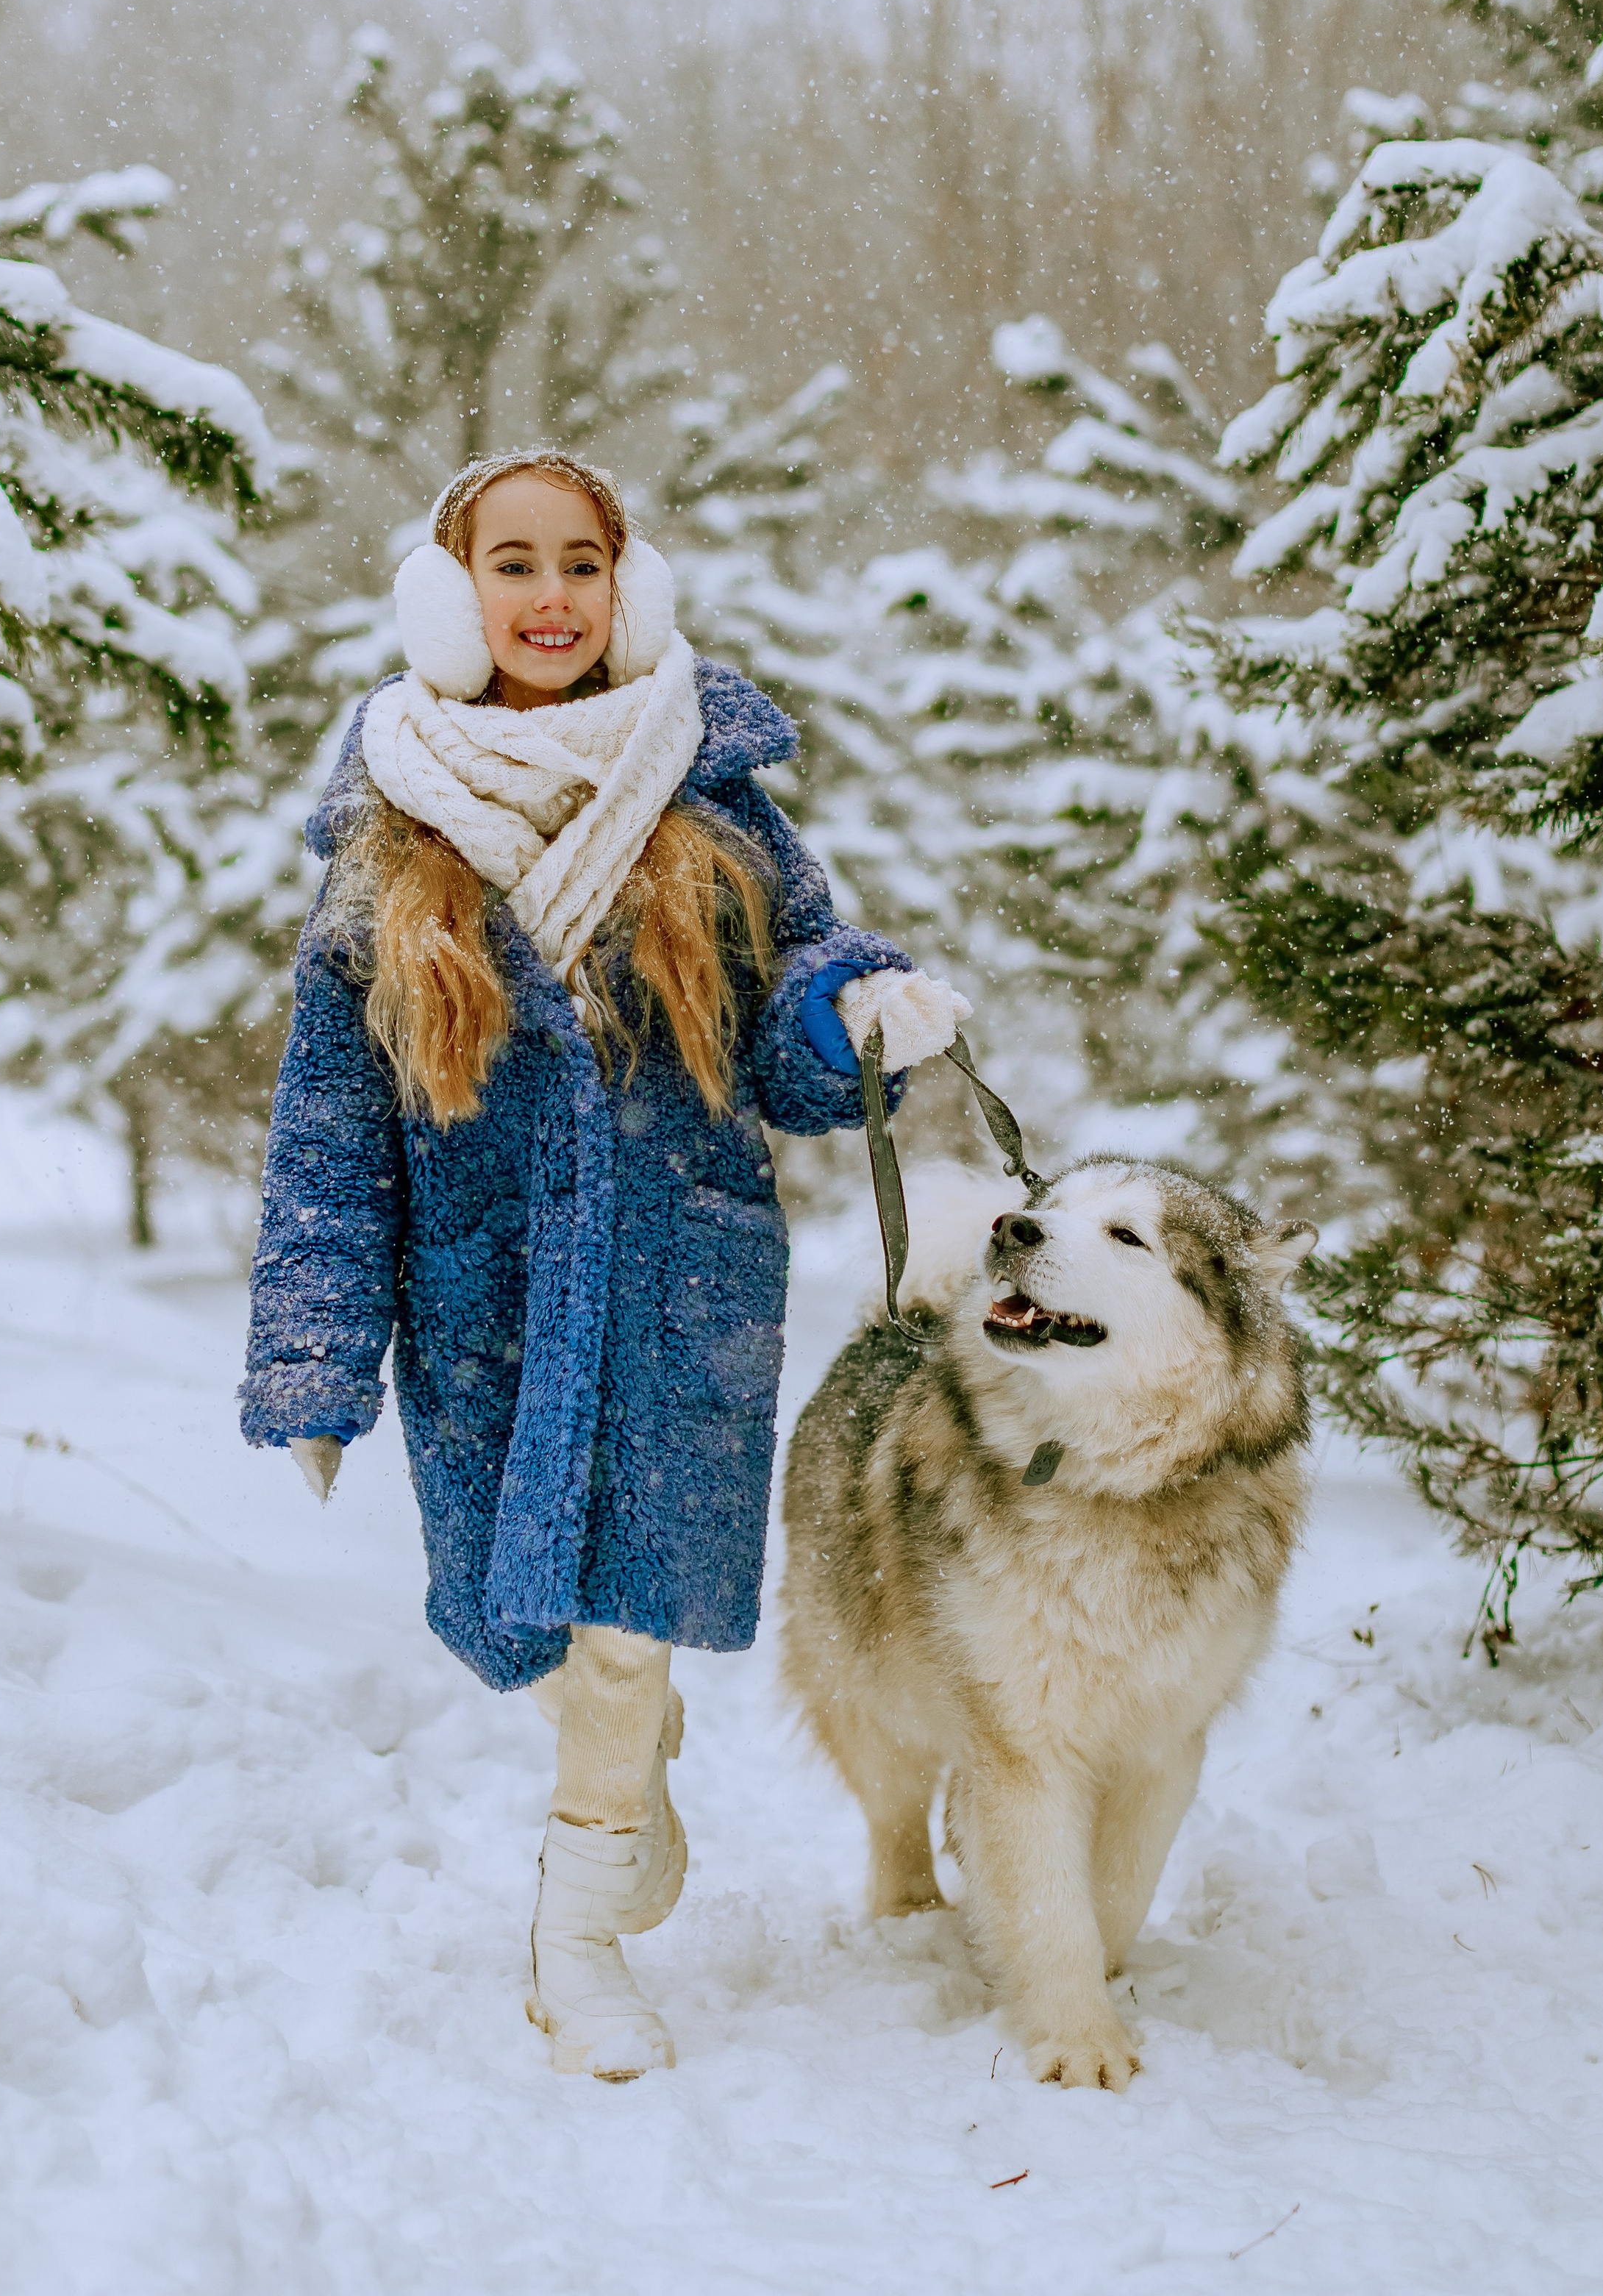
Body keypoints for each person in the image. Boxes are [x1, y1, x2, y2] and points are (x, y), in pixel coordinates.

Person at [237, 448, 967, 2080]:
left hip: (673, 1292)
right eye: (513, 563)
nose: (548, 595)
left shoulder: (713, 801)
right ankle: (624, 1776)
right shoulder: (386, 833)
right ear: (452, 592)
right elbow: (326, 1135)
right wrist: (313, 1357)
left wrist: (857, 1007)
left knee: (627, 1623)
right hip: (480, 1301)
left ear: (625, 588)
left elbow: (789, 1041)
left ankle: (573, 1956)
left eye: (580, 563)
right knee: (540, 1641)